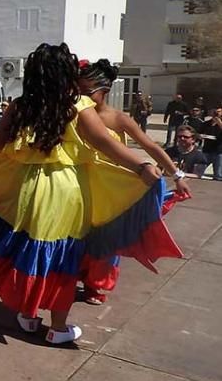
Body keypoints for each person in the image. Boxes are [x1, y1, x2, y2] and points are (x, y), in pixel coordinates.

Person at [0, 43, 182, 345]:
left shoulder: (20, 106)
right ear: (65, 74)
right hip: (66, 190)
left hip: (30, 188)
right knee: (64, 254)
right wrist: (143, 166)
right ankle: (59, 327)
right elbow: (108, 145)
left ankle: (28, 316)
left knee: (33, 247)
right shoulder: (77, 107)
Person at [77, 59, 190, 305]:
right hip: (82, 182)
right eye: (78, 90)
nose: (81, 95)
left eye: (87, 91)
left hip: (113, 186)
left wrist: (177, 175)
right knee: (78, 233)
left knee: (109, 236)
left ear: (104, 91)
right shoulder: (74, 113)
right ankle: (74, 274)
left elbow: (150, 146)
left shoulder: (118, 118)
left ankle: (96, 285)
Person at [201, 107, 222, 180]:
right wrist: (200, 136)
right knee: (199, 170)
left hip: (218, 151)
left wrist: (219, 123)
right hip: (207, 150)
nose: (217, 113)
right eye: (215, 111)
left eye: (219, 111)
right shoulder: (206, 123)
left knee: (218, 175)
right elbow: (199, 132)